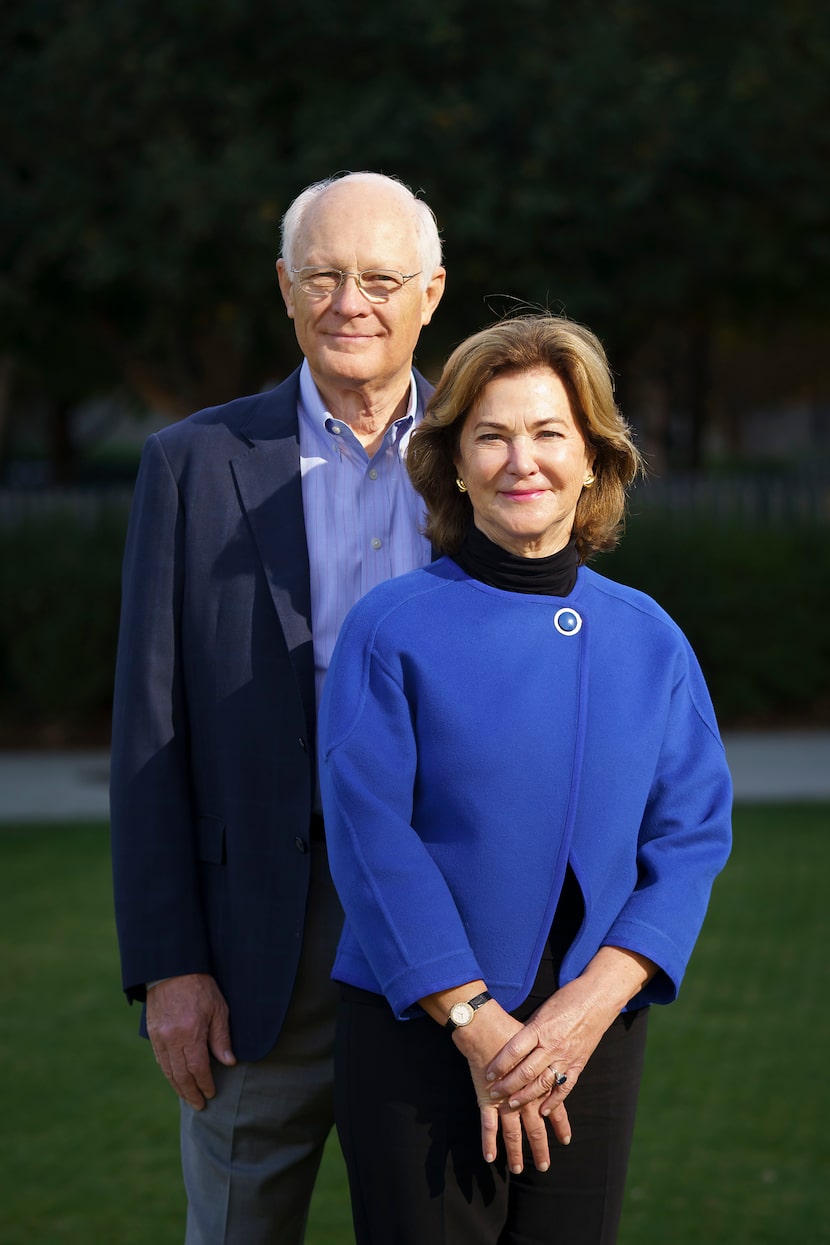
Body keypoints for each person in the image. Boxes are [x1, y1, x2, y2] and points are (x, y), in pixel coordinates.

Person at [318, 314, 733, 1245]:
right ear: (455, 464)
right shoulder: (390, 626)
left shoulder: (649, 634)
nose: (522, 460)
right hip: (419, 1031)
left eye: (550, 433)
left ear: (594, 461)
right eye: (492, 435)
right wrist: (475, 1022)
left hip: (593, 1034)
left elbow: (692, 835)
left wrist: (590, 1005)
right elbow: (371, 838)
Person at [109, 170, 446, 1244]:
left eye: (380, 277)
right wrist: (171, 963)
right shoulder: (191, 465)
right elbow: (150, 734)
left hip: (454, 929)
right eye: (323, 275)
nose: (352, 302)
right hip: (260, 946)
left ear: (430, 294)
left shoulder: (495, 457)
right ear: (284, 291)